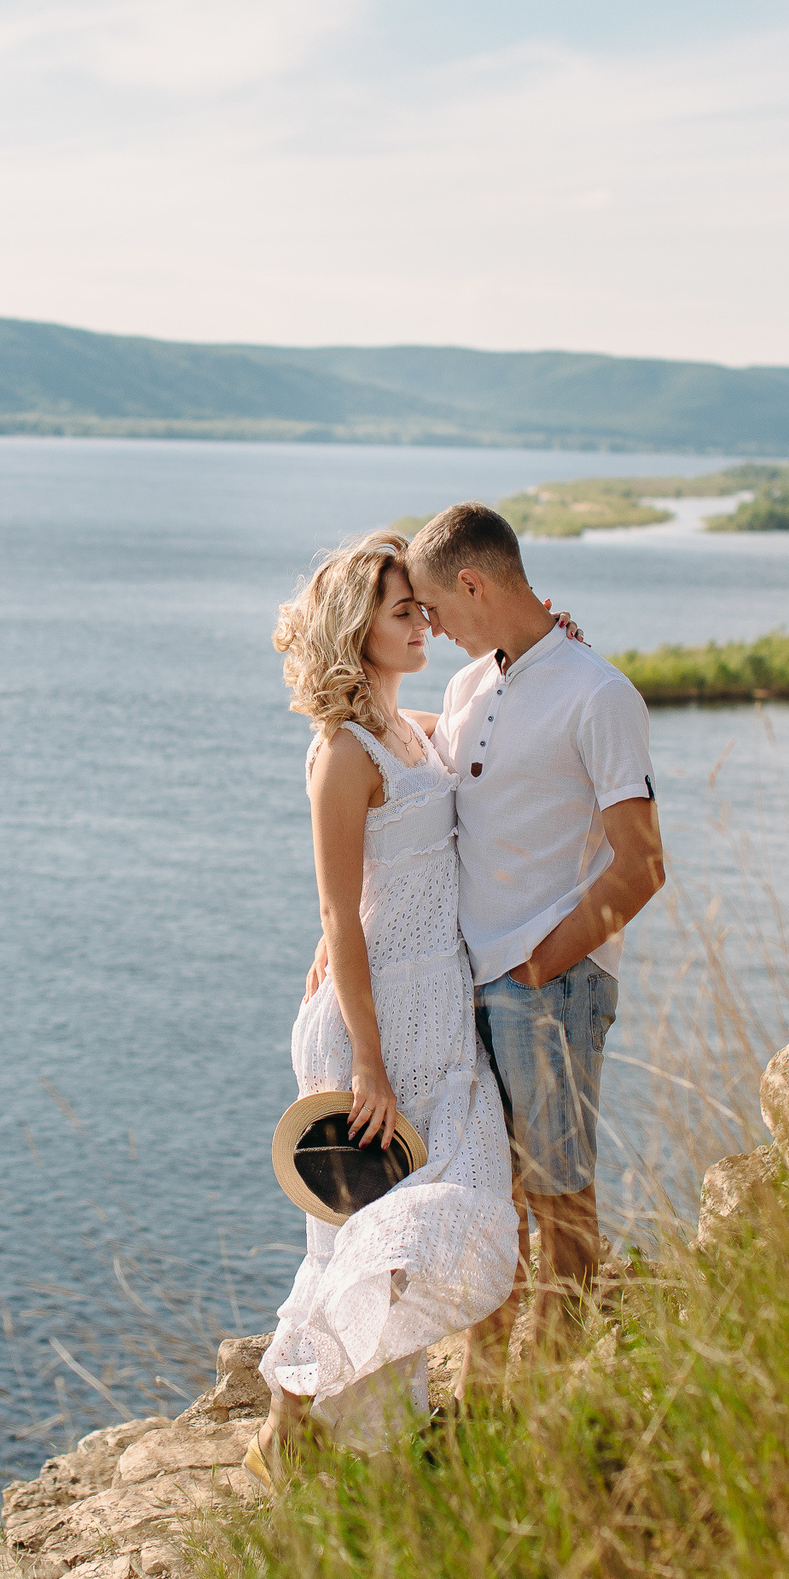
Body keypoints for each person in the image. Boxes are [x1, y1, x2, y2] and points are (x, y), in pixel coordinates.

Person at [250, 531, 519, 1480]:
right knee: (354, 1238)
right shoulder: (342, 751)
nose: (424, 625)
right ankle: (308, 1426)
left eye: (422, 609)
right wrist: (366, 1060)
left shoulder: (414, 729)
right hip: (370, 1031)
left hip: (435, 1017)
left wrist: (546, 637)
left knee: (460, 1204)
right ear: (358, 628)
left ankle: (326, 1421)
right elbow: (338, 909)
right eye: (405, 613)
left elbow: (495, 701)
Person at [404, 501, 666, 1357]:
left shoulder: (599, 693)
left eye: (434, 607)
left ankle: (552, 1400)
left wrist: (538, 966)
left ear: (473, 584)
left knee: (560, 1205)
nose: (432, 627)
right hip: (466, 986)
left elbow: (642, 864)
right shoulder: (466, 687)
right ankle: (492, 1399)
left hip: (547, 987)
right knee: (489, 1203)